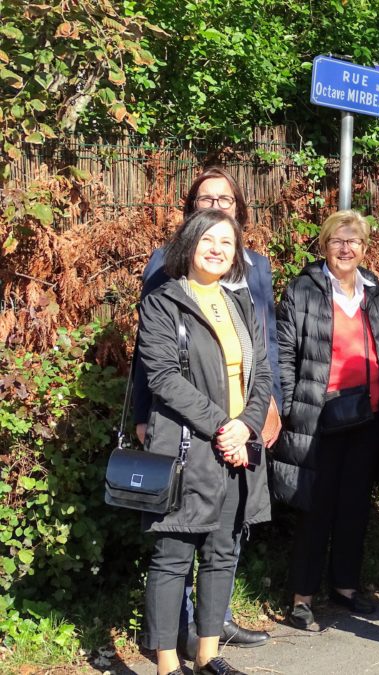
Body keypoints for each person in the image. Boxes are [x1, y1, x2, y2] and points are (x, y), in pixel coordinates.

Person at [133, 166, 280, 655]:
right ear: (190, 243)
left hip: (238, 448)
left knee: (222, 552)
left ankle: (209, 654)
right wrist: (225, 426)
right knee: (174, 554)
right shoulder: (164, 303)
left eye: (227, 242)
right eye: (208, 240)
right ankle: (167, 662)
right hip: (187, 444)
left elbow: (261, 373)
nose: (217, 248)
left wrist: (247, 427)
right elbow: (162, 378)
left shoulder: (240, 305)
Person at [275, 210, 379, 630]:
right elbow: (284, 355)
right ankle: (302, 598)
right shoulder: (303, 290)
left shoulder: (375, 292)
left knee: (354, 506)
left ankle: (345, 587)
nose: (346, 248)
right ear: (324, 245)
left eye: (354, 242)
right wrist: (290, 408)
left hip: (367, 418)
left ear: (365, 248)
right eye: (337, 240)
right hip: (319, 418)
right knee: (315, 508)